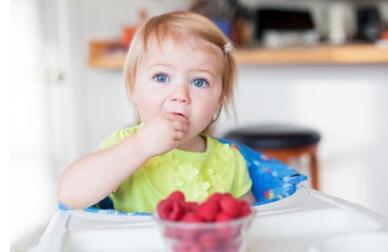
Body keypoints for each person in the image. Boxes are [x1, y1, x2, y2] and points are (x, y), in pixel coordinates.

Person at [58, 11, 256, 213]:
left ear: (219, 100)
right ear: (134, 89)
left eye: (199, 81)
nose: (180, 95)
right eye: (161, 78)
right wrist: (140, 146)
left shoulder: (231, 160)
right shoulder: (125, 144)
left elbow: (252, 225)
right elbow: (70, 195)